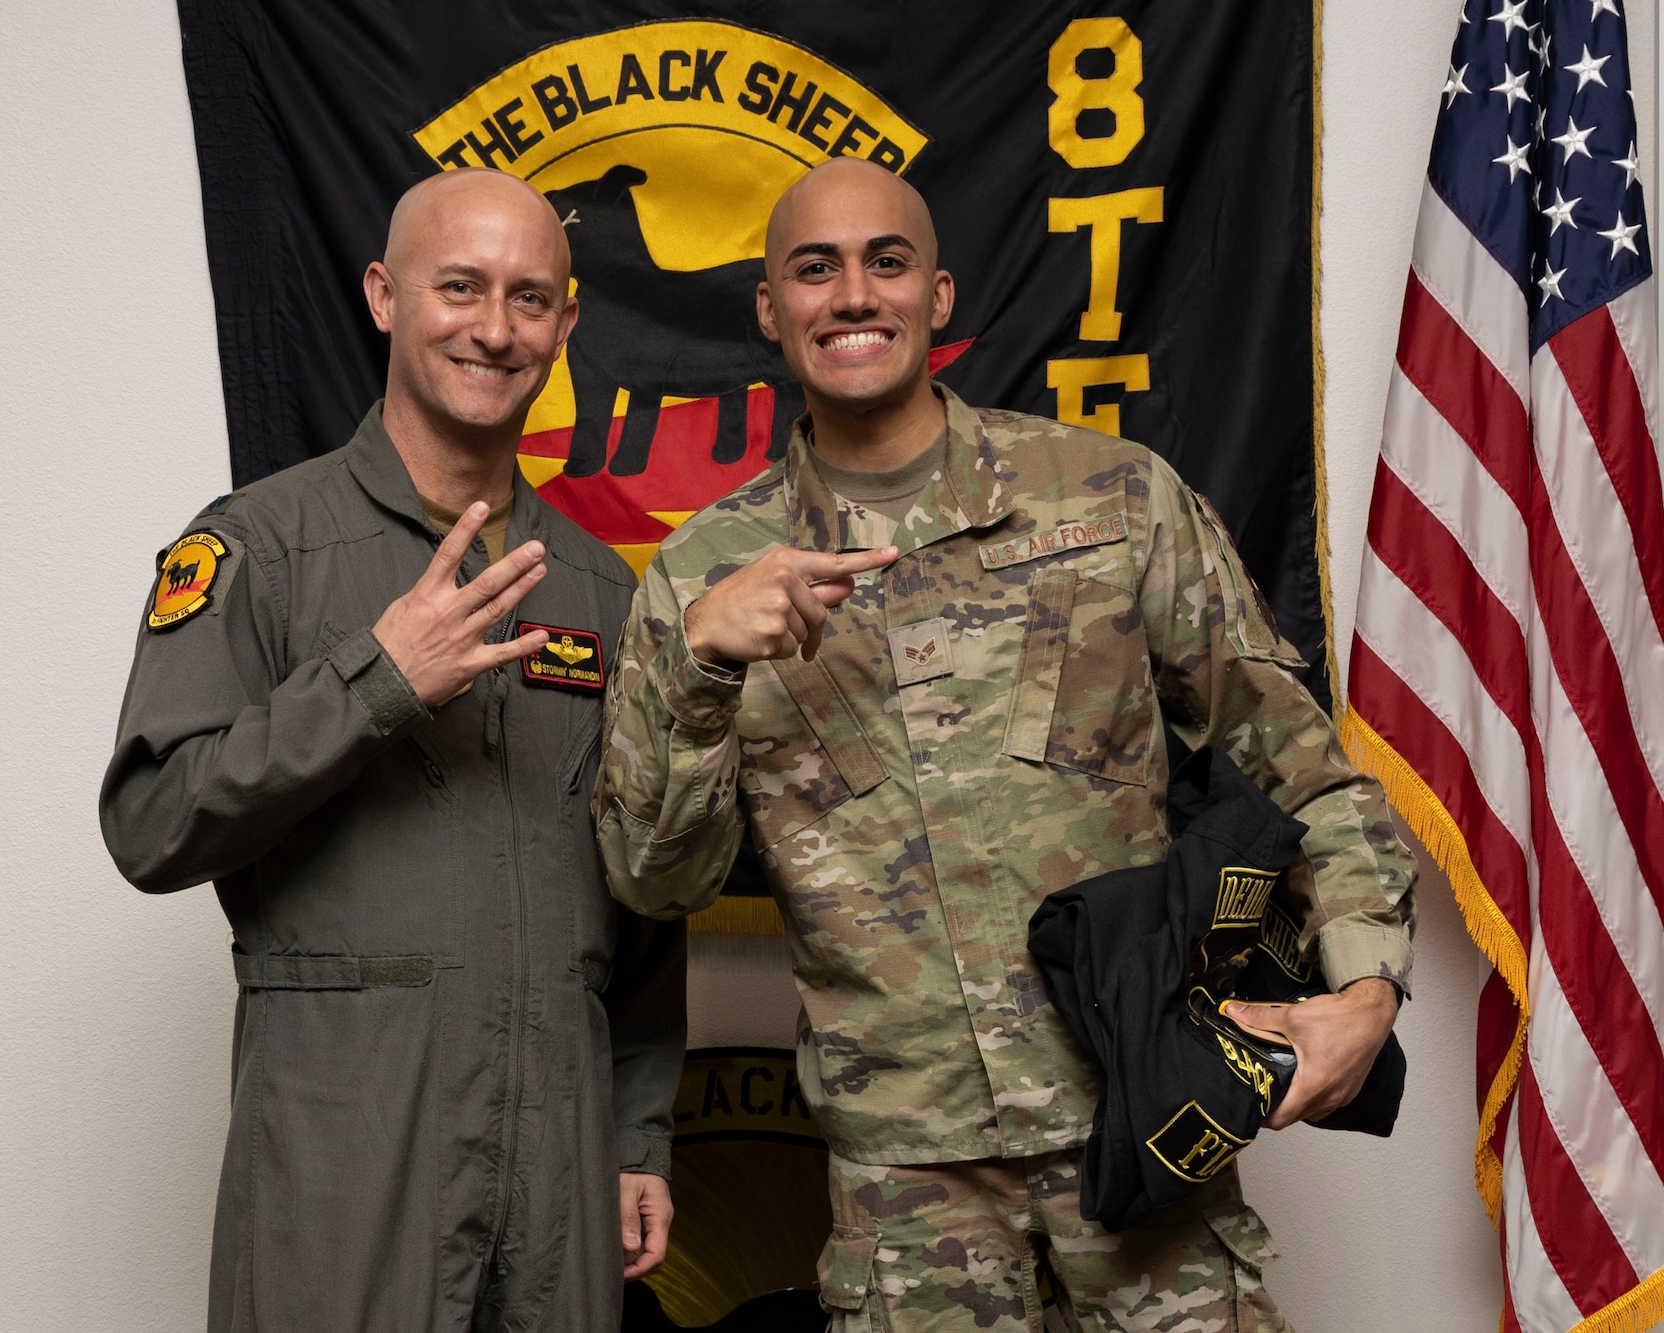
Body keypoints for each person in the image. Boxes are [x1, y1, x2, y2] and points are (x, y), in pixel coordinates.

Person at [593, 158, 1414, 1332]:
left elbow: (1298, 765)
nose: (852, 294)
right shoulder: (702, 573)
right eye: (812, 268)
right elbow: (651, 881)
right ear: (769, 311)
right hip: (904, 1189)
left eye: (886, 261)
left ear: (938, 295)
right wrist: (704, 666)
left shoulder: (1114, 500)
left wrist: (1367, 989)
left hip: (1135, 1127)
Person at [101, 168, 682, 1332]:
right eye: (457, 286)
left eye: (528, 298)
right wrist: (372, 683)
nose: (493, 327)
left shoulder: (597, 588)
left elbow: (639, 891)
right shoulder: (258, 548)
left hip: (560, 1162)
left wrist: (634, 1132)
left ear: (565, 325)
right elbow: (152, 826)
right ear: (382, 295)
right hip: (344, 1142)